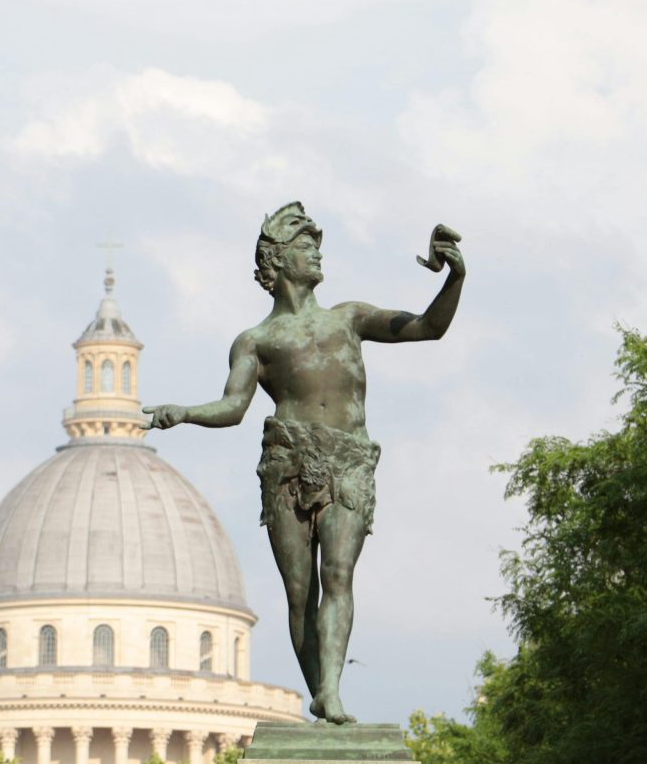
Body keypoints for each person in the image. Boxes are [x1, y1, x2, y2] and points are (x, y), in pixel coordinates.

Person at [147, 204, 466, 725]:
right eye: (305, 244)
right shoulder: (256, 341)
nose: (317, 252)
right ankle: (319, 689)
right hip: (288, 467)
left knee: (338, 573)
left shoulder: (350, 319)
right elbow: (233, 408)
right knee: (301, 594)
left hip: (347, 463)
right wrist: (182, 413)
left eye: (317, 244)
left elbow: (428, 327)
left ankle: (332, 692)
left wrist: (454, 277)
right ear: (276, 260)